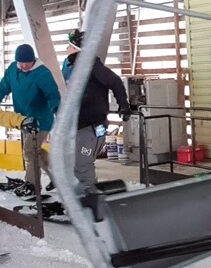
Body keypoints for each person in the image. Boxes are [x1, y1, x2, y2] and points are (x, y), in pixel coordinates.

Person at [61, 29, 131, 190]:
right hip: (77, 125)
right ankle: (81, 197)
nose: (67, 49)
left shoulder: (91, 65)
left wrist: (124, 105)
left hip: (92, 125)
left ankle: (90, 202)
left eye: (69, 46)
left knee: (82, 162)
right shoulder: (70, 66)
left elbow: (115, 82)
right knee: (73, 162)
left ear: (76, 48)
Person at [0, 44, 60, 193]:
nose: (24, 65)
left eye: (27, 62)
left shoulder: (42, 73)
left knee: (29, 151)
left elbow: (52, 94)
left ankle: (32, 186)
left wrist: (57, 109)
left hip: (40, 119)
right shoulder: (13, 69)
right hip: (23, 119)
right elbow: (3, 87)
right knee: (35, 151)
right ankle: (58, 175)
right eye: (21, 62)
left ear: (33, 60)